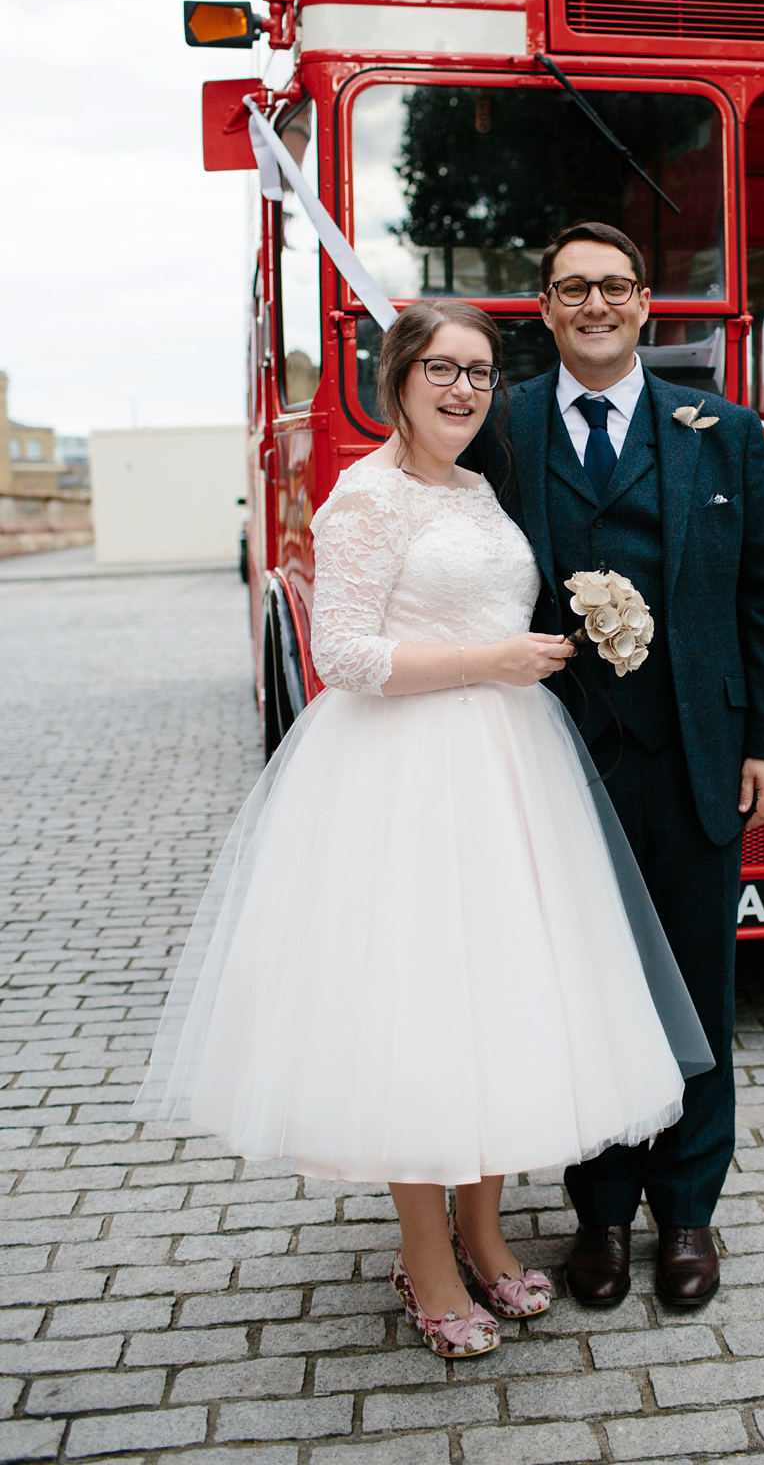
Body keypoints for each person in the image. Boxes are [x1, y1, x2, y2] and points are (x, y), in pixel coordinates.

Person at [132, 300, 711, 1361]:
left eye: (482, 373)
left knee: (494, 1000)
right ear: (398, 379)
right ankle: (426, 1256)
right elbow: (343, 655)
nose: (463, 390)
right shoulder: (367, 497)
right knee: (417, 1009)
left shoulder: (486, 491)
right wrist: (486, 663)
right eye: (441, 369)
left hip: (509, 769)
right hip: (402, 774)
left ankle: (485, 1234)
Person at [465, 221, 764, 1310]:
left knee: (698, 988)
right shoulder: (502, 430)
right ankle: (603, 1216)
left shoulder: (724, 432)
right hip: (558, 757)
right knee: (586, 986)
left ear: (648, 303)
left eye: (614, 286)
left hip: (698, 755)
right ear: (547, 308)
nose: (596, 305)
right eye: (573, 289)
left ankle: (690, 1212)